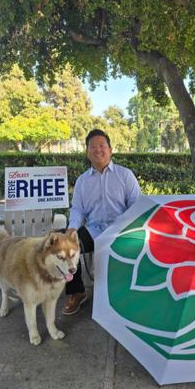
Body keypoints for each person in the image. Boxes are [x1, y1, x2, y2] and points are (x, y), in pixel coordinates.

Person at [63, 129, 141, 315]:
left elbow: (136, 205)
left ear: (110, 149)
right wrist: (72, 228)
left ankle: (129, 292)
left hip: (122, 230)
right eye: (93, 147)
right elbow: (78, 209)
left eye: (102, 146)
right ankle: (77, 292)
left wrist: (129, 228)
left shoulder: (125, 175)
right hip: (94, 230)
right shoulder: (83, 181)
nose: (98, 150)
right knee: (67, 246)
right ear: (87, 152)